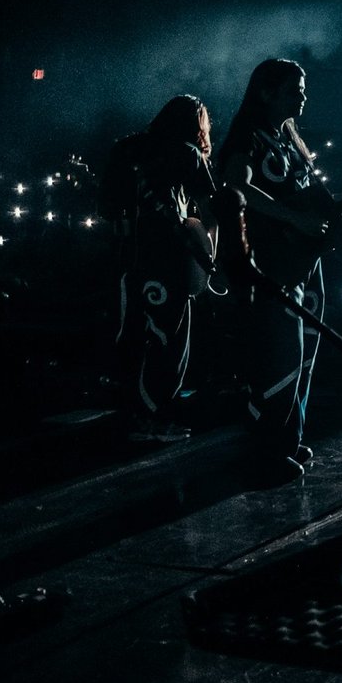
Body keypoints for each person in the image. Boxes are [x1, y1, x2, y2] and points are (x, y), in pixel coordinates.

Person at [104, 95, 241, 440]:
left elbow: (106, 204)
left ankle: (130, 415)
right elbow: (212, 207)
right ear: (197, 124)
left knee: (131, 335)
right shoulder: (186, 152)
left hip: (124, 259)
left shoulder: (125, 147)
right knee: (170, 340)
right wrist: (211, 253)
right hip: (167, 257)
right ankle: (154, 419)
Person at [218, 58, 329, 480]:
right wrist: (292, 218)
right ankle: (265, 450)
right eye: (293, 89)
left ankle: (288, 440)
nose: (302, 96)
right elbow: (236, 186)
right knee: (279, 353)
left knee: (304, 353)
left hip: (302, 262)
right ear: (265, 92)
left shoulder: (289, 140)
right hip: (273, 264)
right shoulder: (251, 137)